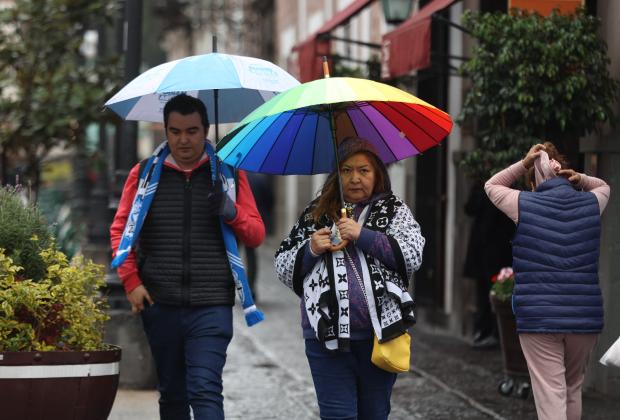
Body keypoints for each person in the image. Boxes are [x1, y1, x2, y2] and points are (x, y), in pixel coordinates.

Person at [110, 94, 265, 420]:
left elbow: (255, 234)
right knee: (173, 395)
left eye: (192, 131)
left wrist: (230, 211)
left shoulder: (228, 175)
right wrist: (131, 280)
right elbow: (121, 232)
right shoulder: (144, 175)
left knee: (206, 390)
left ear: (206, 130)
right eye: (176, 131)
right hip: (159, 303)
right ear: (165, 131)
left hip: (211, 304)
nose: (184, 139)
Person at [275, 137, 425, 420]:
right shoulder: (315, 214)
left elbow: (412, 254)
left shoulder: (394, 211)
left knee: (374, 414)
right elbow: (282, 265)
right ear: (336, 175)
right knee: (337, 416)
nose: (355, 178)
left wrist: (362, 235)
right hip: (325, 337)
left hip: (380, 336)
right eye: (346, 170)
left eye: (364, 170)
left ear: (377, 173)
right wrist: (311, 249)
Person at [485, 142, 610, 420]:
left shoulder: (523, 203)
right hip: (584, 316)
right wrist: (582, 178)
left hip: (539, 317)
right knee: (572, 388)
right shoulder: (592, 201)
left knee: (551, 391)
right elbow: (603, 186)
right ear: (566, 174)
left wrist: (523, 162)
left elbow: (492, 185)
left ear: (532, 183)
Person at [463, 183, 514, 348]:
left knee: (495, 290)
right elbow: (469, 208)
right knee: (482, 292)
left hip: (498, 250)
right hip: (481, 249)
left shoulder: (505, 189)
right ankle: (482, 329)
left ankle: (495, 332)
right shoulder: (480, 187)